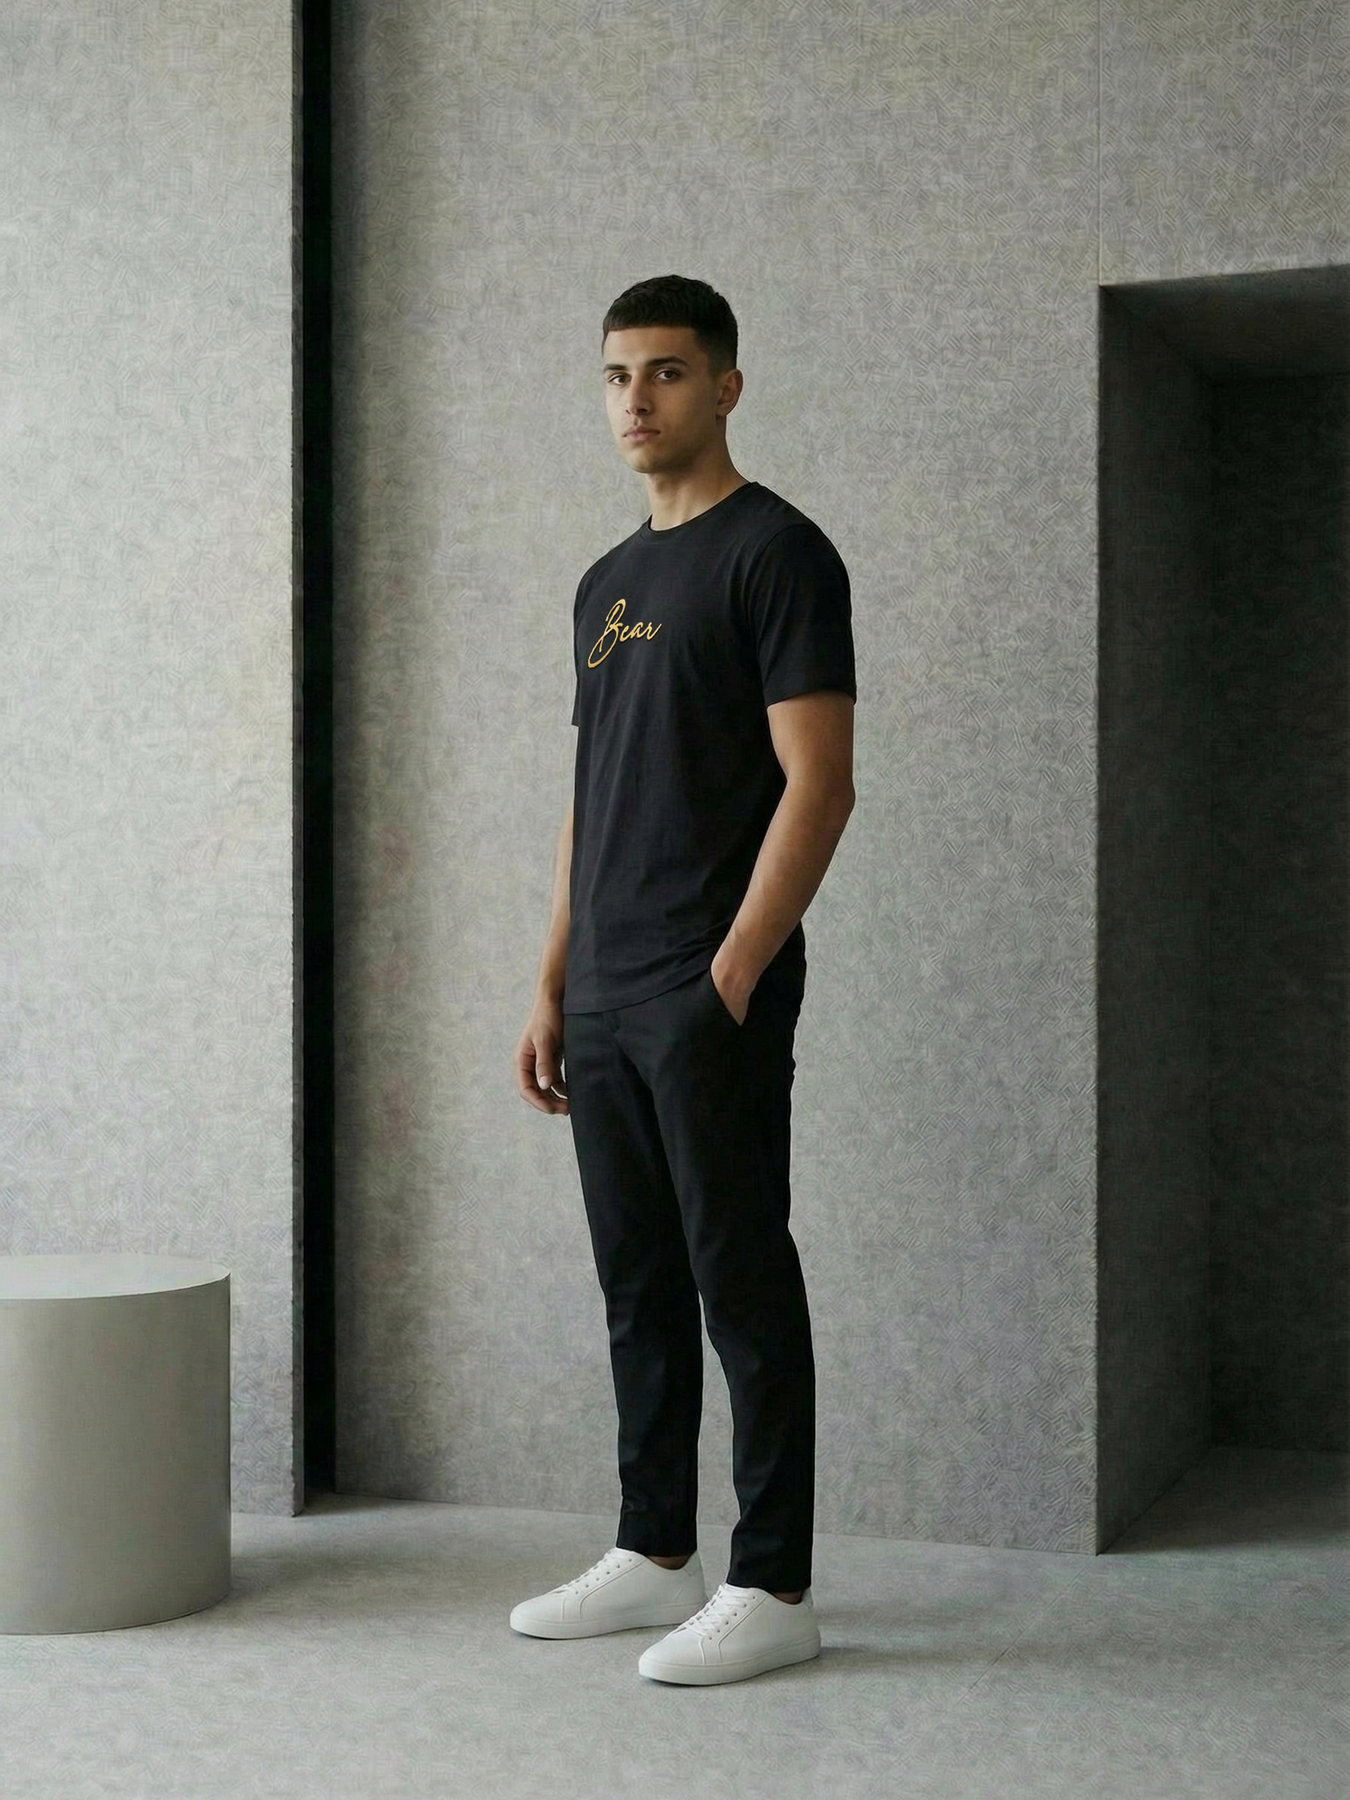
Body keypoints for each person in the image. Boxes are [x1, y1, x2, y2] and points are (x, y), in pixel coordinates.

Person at [511, 274, 857, 1686]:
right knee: (636, 1281)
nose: (635, 401)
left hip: (704, 988)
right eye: (615, 376)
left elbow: (819, 783)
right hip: (602, 991)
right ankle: (655, 1552)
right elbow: (588, 799)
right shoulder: (603, 583)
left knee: (738, 1276)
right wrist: (551, 982)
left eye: (663, 373)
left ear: (724, 385)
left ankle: (773, 1584)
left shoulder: (778, 554)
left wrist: (732, 972)